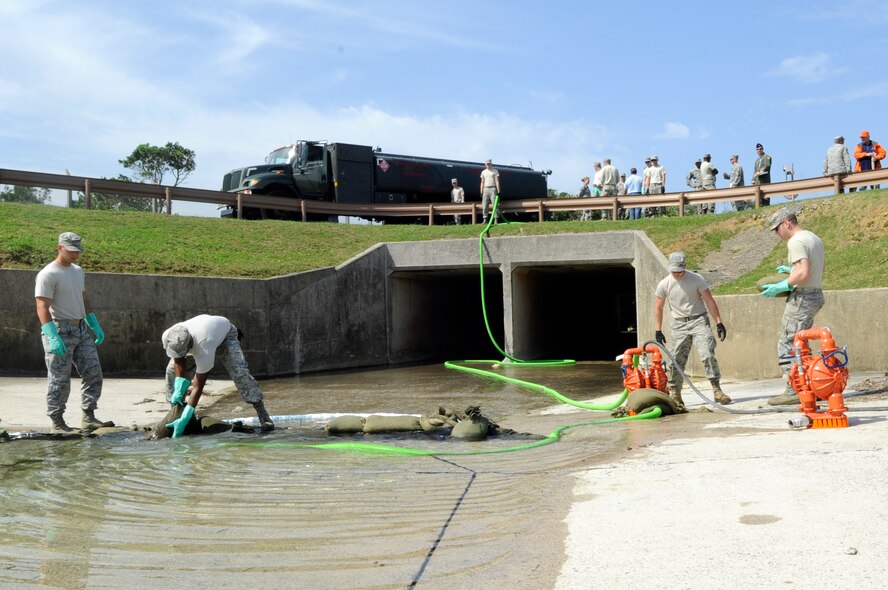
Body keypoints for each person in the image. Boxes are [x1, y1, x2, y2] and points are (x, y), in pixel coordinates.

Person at [34, 232, 110, 433]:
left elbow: (83, 298)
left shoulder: (78, 271)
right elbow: (42, 305)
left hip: (81, 328)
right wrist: (51, 335)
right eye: (71, 251)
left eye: (78, 251)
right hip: (60, 329)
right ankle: (57, 422)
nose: (76, 255)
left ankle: (89, 416)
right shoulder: (48, 274)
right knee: (60, 379)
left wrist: (93, 323)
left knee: (94, 372)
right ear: (59, 247)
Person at [162, 314, 274, 436]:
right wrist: (178, 386)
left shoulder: (204, 346)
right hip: (202, 334)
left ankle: (262, 414)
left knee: (240, 373)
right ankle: (175, 413)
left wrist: (188, 412)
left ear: (189, 345)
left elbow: (198, 386)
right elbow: (178, 359)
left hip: (225, 337)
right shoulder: (169, 336)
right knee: (171, 372)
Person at [760, 208, 825, 405]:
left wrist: (783, 284)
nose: (776, 233)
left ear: (787, 223)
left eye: (776, 228)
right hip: (815, 294)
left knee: (788, 343)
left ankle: (794, 389)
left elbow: (803, 273)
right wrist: (791, 270)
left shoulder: (795, 241)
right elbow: (818, 268)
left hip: (802, 298)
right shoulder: (813, 238)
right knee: (801, 343)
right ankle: (810, 385)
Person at [654, 252, 731, 407]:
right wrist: (658, 330)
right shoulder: (664, 284)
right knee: (675, 359)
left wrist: (719, 323)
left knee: (707, 353)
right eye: (674, 271)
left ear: (685, 267)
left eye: (679, 271)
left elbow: (709, 301)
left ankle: (717, 390)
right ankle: (676, 394)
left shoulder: (697, 280)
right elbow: (658, 308)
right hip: (679, 324)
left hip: (699, 320)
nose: (676, 273)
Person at [479, 158, 501, 224]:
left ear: (491, 164)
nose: (488, 165)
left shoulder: (495, 171)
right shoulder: (483, 172)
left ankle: (496, 219)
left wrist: (498, 191)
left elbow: (497, 181)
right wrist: (481, 191)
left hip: (493, 188)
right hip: (485, 188)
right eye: (487, 164)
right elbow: (482, 182)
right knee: (485, 204)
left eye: (489, 163)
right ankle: (485, 219)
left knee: (495, 204)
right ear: (485, 164)